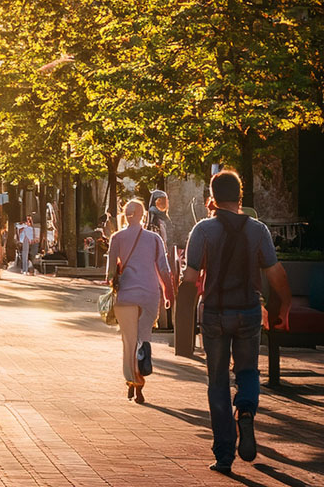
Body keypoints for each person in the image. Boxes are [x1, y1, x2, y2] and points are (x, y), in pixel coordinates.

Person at [181, 171, 292, 475]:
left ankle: (224, 455)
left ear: (213, 198)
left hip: (214, 314)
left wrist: (182, 325)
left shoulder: (202, 230)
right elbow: (275, 274)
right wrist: (284, 304)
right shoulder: (258, 230)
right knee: (248, 370)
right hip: (248, 312)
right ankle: (245, 409)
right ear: (241, 197)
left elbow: (190, 280)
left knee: (217, 381)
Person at [106, 199, 175, 405]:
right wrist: (169, 293)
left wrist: (118, 273)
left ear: (125, 215)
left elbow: (110, 273)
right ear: (143, 215)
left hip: (126, 296)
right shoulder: (154, 240)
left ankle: (132, 381)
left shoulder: (117, 238)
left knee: (128, 342)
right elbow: (164, 268)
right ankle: (140, 383)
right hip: (149, 295)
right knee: (142, 340)